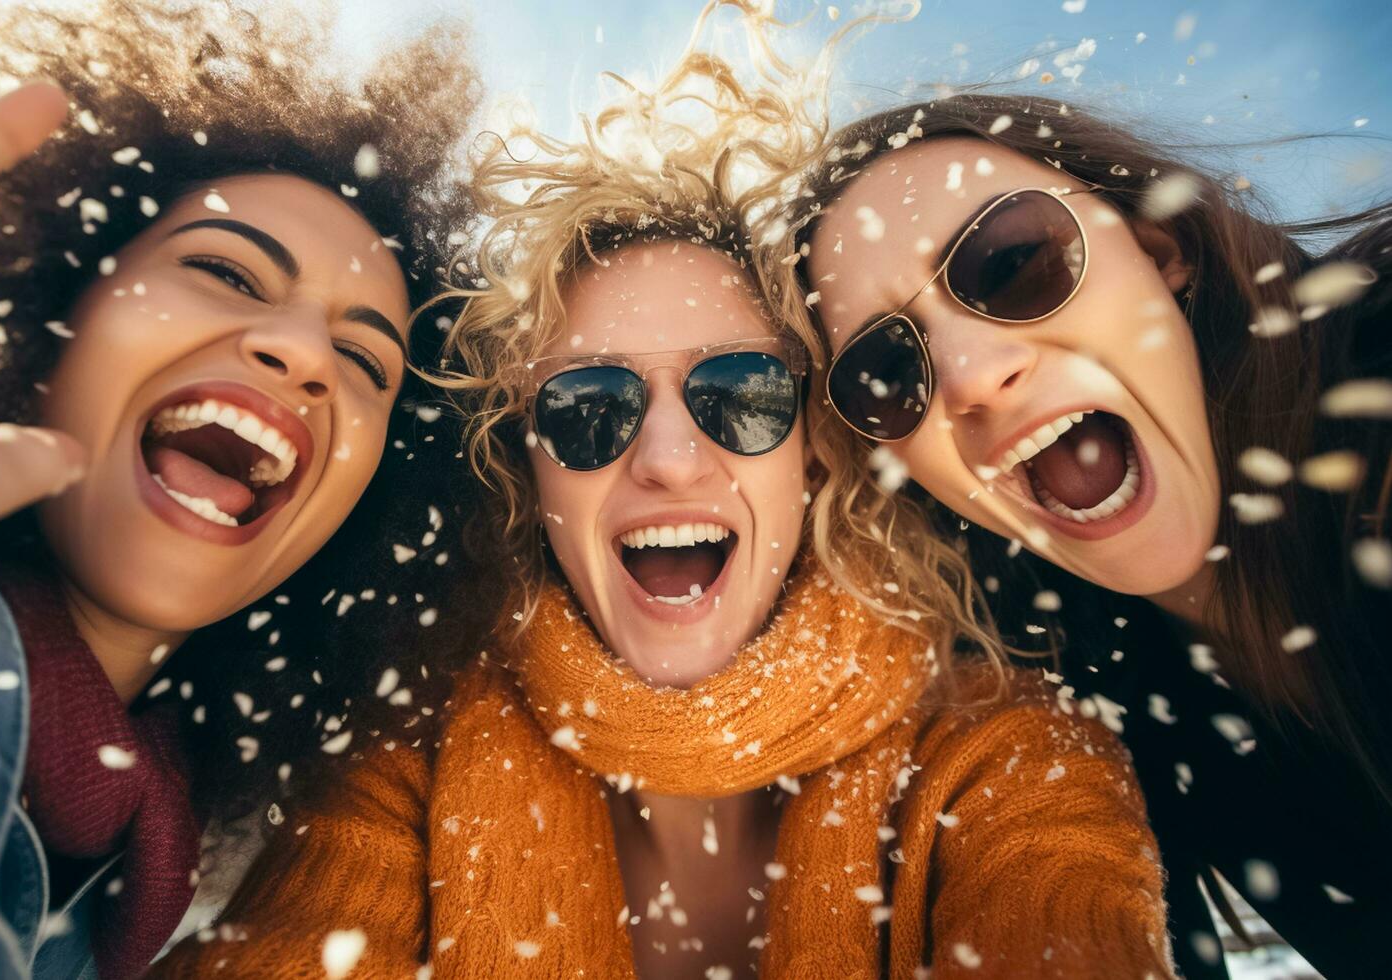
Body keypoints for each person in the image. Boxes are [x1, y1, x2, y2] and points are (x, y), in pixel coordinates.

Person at [152, 25, 1175, 979]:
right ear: (532, 473)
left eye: (743, 392)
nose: (669, 456)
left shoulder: (1007, 751)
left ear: (816, 454)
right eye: (590, 407)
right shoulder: (404, 767)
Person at [0, 2, 479, 976]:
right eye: (226, 269)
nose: (304, 350)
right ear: (55, 306)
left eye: (362, 357)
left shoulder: (150, 890)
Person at [778, 92, 1391, 977]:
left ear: (1157, 251)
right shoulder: (1084, 696)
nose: (971, 378)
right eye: (886, 371)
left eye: (1011, 263)